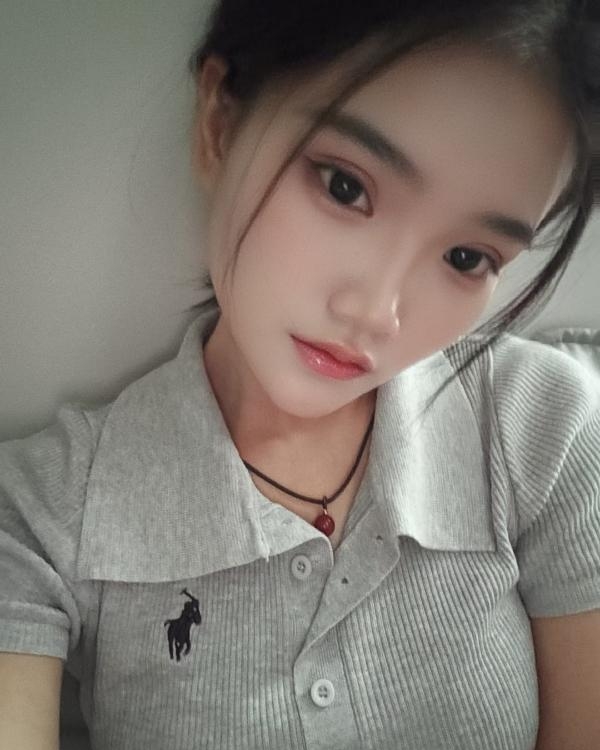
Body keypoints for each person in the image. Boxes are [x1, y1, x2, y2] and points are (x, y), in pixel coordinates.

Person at [1, 1, 600, 748]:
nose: (376, 313)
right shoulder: (43, 515)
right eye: (345, 186)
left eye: (466, 257)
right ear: (220, 124)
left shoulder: (545, 427)